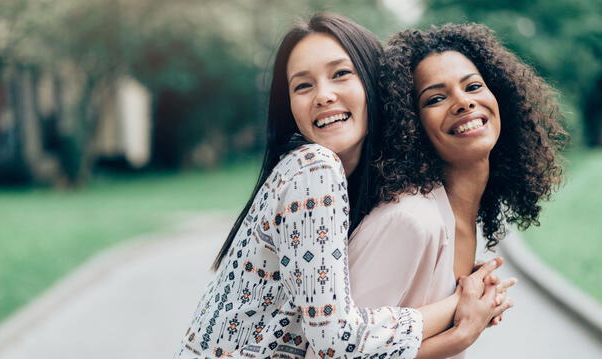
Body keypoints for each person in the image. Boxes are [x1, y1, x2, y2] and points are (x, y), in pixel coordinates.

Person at [174, 14, 508, 359]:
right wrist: (460, 316)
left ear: (375, 86)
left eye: (340, 74)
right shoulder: (315, 168)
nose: (323, 95)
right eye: (303, 86)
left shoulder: (364, 186)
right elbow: (334, 340)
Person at [341, 23, 567, 358]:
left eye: (473, 86)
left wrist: (467, 305)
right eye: (435, 98)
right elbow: (334, 351)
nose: (463, 103)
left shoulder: (456, 216)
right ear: (411, 124)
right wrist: (461, 334)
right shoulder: (409, 221)